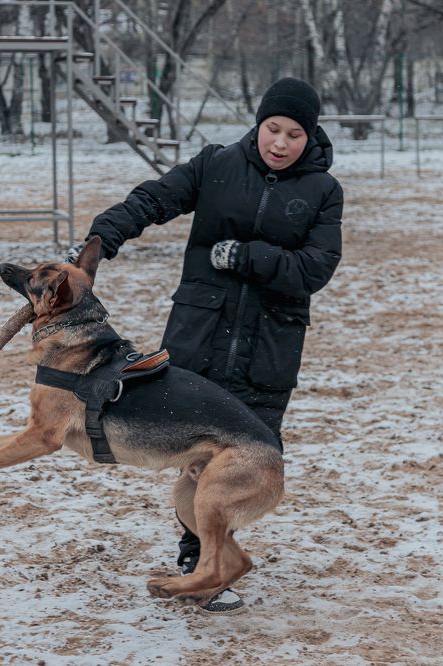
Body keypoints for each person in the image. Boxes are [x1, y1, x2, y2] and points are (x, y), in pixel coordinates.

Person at [70, 77, 343, 613]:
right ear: (258, 124)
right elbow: (154, 199)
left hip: (270, 348)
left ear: (310, 137)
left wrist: (245, 257)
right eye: (273, 129)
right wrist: (105, 235)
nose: (281, 143)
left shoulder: (322, 191)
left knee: (248, 461)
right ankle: (200, 560)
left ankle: (218, 555)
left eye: (294, 134)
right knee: (196, 458)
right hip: (198, 339)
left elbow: (317, 268)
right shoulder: (216, 164)